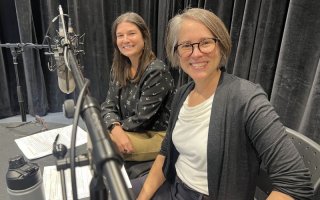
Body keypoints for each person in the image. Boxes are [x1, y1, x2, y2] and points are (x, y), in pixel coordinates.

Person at [132, 8, 314, 200]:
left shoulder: (247, 99)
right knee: (108, 188)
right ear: (176, 53)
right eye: (186, 45)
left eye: (205, 43)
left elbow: (295, 182)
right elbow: (166, 151)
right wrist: (142, 197)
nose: (196, 53)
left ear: (221, 45)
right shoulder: (182, 94)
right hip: (173, 184)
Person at [101, 12, 175, 162]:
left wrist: (114, 129)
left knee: (102, 146)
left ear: (144, 36)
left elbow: (143, 119)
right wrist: (115, 128)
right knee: (97, 139)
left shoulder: (156, 71)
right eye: (120, 35)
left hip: (156, 134)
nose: (125, 40)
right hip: (126, 129)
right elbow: (108, 105)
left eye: (131, 33)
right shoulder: (118, 67)